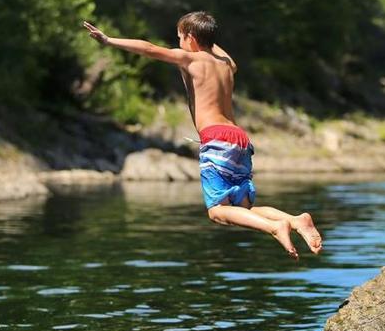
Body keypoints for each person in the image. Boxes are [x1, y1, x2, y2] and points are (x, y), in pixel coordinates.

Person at [83, 13, 321, 260]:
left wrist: (109, 40)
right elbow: (222, 53)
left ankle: (275, 227)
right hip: (239, 138)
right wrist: (206, 36)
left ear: (191, 38)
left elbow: (149, 49)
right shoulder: (226, 64)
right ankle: (294, 220)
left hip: (216, 139)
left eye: (180, 37)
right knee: (242, 209)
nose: (178, 43)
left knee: (217, 211)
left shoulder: (190, 59)